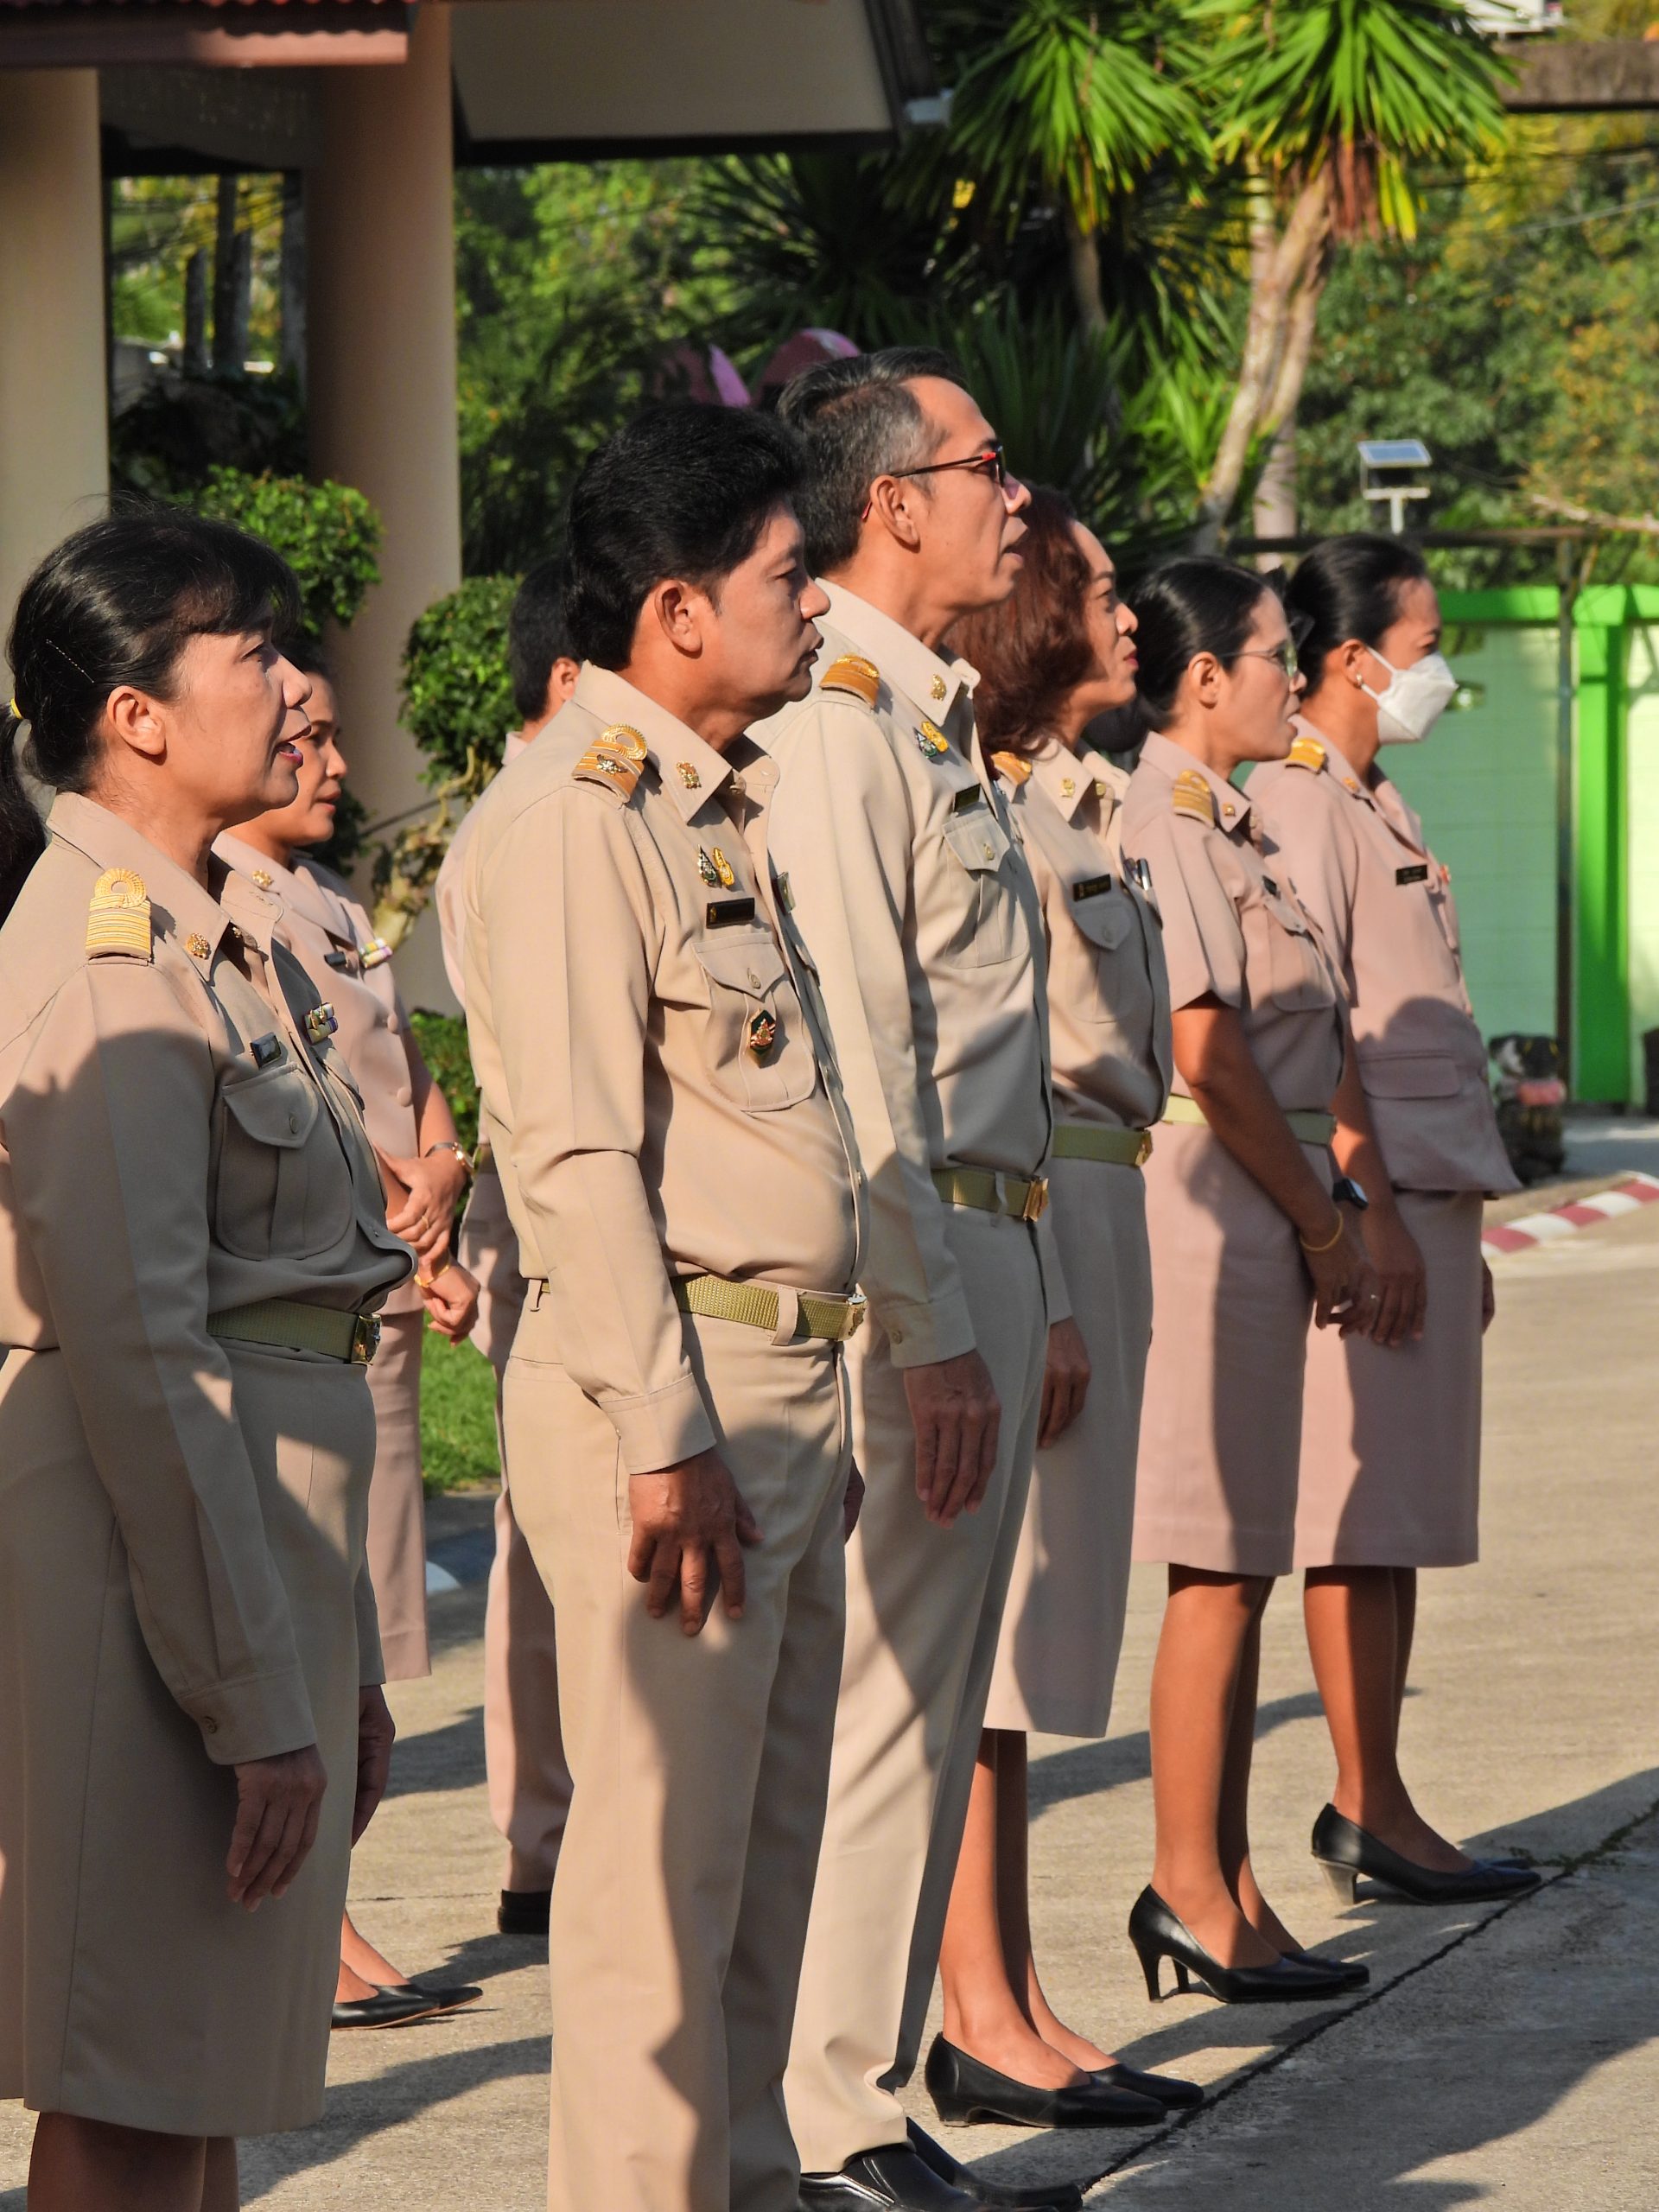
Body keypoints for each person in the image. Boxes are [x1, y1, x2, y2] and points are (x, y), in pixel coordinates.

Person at [460, 402, 868, 2212]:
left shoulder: (713, 805)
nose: (817, 603)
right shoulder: (574, 820)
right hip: (676, 1391)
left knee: (757, 1886)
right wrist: (667, 1431)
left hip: (778, 1386)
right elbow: (571, 1155)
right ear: (679, 610)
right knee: (653, 1906)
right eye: (789, 574)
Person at [0, 511, 410, 2211]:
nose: (297, 682)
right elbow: (148, 1356)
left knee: (205, 2075)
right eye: (254, 648)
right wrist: (253, 1692)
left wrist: (337, 1659)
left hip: (244, 1557)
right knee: (133, 2082)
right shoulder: (111, 957)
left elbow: (300, 1324)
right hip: (153, 1581)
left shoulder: (213, 936)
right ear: (137, 714)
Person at [762, 350, 1082, 2212]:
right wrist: (932, 1322)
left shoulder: (929, 720)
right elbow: (865, 1055)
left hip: (990, 1226)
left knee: (935, 1696)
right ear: (893, 501)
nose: (1014, 499)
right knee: (888, 1705)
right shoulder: (838, 724)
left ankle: (868, 2094)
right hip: (921, 1248)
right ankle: (833, 2115)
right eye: (986, 466)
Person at [931, 492, 1196, 2126]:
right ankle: (976, 2007)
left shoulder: (1065, 795)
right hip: (1035, 1203)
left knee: (1039, 1638)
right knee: (999, 1637)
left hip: (1094, 1193)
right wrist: (1046, 1286)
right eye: (1095, 590)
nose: (1125, 615)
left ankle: (1015, 1985)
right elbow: (992, 1061)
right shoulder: (981, 795)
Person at [1250, 533, 1537, 1905]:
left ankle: (1387, 1796)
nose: (1439, 676)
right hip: (1379, 1203)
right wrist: (1364, 1212)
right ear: (1356, 658)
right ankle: (1366, 1802)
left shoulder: (1375, 797)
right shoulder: (1302, 800)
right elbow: (1313, 1031)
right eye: (1425, 650)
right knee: (1356, 1515)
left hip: (1427, 1196)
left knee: (1403, 1513)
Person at [1115, 556, 1377, 2008]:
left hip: (1259, 1210)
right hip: (1214, 1215)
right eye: (1278, 654)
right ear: (1205, 677)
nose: (1296, 675)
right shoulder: (1163, 818)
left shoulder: (1234, 819)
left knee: (1246, 1562)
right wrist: (1324, 1224)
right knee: (1215, 1566)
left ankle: (1231, 1882)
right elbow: (1209, 1056)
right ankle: (1186, 1886)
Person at [216, 646, 486, 2028]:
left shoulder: (329, 896)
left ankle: (330, 1906)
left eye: (327, 735)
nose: (328, 761)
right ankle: (308, 1922)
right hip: (314, 1285)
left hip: (378, 1285)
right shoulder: (224, 900)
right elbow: (299, 1096)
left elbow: (407, 1070)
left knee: (360, 1625)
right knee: (315, 1621)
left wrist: (442, 1176)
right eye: (302, 737)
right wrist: (402, 1202)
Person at [435, 558, 580, 1937]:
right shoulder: (535, 815)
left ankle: (548, 1828)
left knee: (550, 1535)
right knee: (547, 1535)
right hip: (550, 1214)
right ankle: (545, 1832)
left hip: (543, 1208)